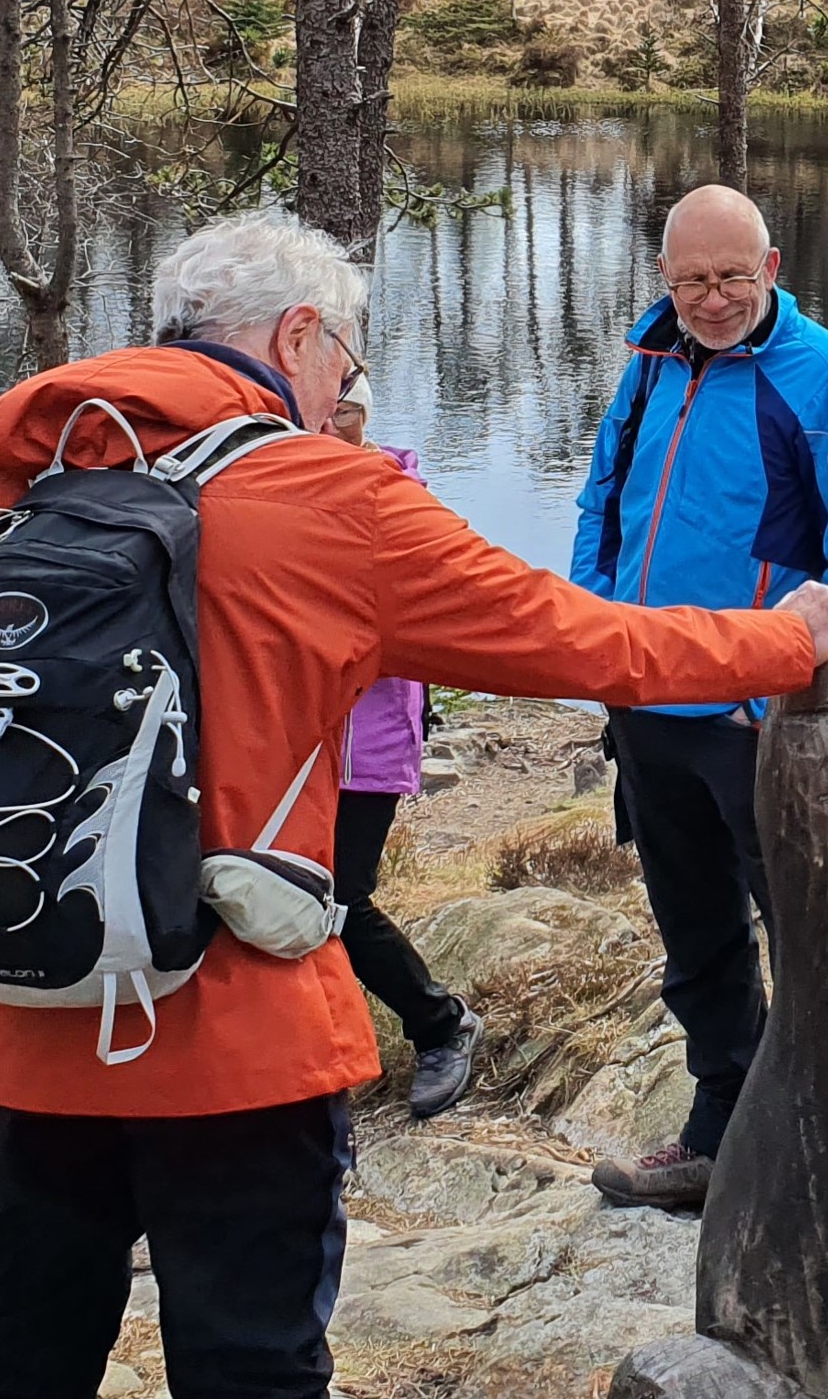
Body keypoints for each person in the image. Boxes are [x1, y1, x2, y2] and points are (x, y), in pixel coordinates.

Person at [0, 208, 828, 1399]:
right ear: (296, 335)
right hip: (243, 1050)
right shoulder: (329, 497)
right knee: (254, 1371)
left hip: (29, 1037)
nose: (343, 384)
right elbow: (582, 640)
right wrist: (783, 637)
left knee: (24, 1365)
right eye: (342, 354)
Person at [569, 183, 828, 1211]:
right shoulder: (649, 363)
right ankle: (718, 1136)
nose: (712, 300)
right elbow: (603, 504)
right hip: (646, 702)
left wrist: (774, 689)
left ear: (772, 271)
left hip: (757, 719)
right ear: (666, 279)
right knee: (696, 937)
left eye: (732, 279)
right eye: (692, 281)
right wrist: (596, 642)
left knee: (805, 936)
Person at [325, 371, 482, 1119]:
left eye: (346, 412)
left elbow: (438, 612)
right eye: (321, 411)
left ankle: (442, 1026)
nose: (332, 425)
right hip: (292, 742)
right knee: (273, 893)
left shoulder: (399, 500)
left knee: (338, 897)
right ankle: (321, 1060)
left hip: (368, 740)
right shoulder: (280, 484)